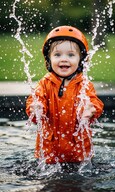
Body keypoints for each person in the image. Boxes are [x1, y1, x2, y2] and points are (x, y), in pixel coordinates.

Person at [26, 25, 104, 164]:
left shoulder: (84, 84)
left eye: (71, 55)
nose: (64, 59)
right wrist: (35, 107)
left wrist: (91, 109)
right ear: (48, 59)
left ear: (81, 60)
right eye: (57, 54)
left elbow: (94, 102)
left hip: (79, 154)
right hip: (49, 154)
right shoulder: (45, 83)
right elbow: (36, 99)